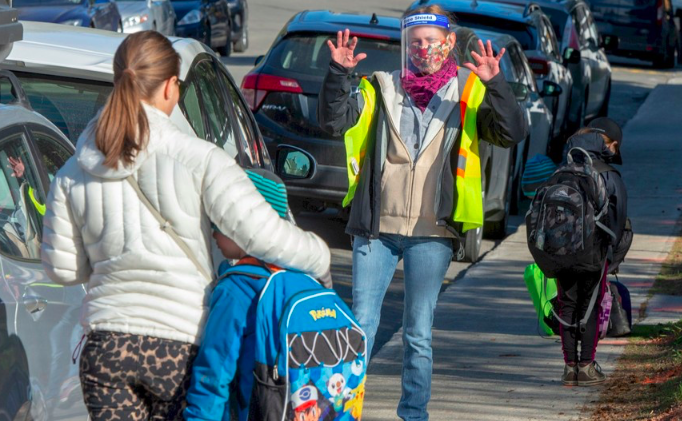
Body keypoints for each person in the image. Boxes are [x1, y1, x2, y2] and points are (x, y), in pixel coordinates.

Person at [40, 31, 330, 420]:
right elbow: (263, 235)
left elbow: (61, 269)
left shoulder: (72, 172)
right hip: (177, 344)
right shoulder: (200, 159)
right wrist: (320, 256)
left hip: (105, 347)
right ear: (170, 87)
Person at [317, 5, 527, 419]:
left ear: (449, 42)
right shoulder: (380, 87)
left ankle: (413, 414)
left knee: (418, 334)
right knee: (360, 326)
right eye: (415, 42)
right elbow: (332, 121)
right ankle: (343, 411)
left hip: (433, 233)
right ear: (404, 45)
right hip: (377, 227)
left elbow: (512, 132)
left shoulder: (469, 92)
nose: (423, 49)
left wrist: (497, 84)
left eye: (432, 41)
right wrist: (338, 74)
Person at [184, 169, 295, 421]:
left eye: (219, 218)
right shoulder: (302, 279)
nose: (212, 229)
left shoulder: (236, 290)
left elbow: (213, 374)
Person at [557, 117, 629, 386]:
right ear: (608, 145)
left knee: (568, 305)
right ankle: (586, 366)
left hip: (562, 250)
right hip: (594, 253)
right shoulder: (609, 174)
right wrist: (611, 257)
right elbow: (619, 222)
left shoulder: (564, 167)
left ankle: (568, 367)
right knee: (591, 306)